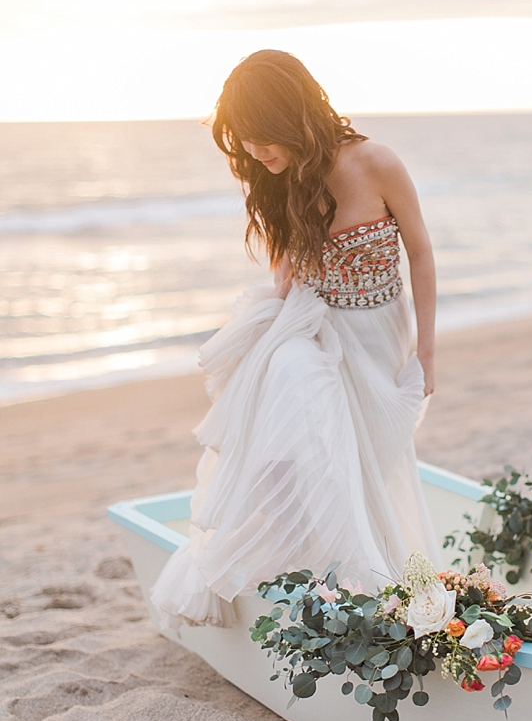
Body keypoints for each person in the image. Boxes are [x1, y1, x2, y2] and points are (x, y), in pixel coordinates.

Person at [151, 49, 440, 629]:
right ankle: (339, 587)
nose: (256, 153)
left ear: (292, 115)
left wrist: (428, 355)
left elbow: (422, 254)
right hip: (314, 324)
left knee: (368, 463)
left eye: (261, 137)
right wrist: (262, 338)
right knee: (301, 406)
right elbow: (286, 272)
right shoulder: (278, 179)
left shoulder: (376, 162)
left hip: (382, 335)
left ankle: (350, 576)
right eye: (244, 141)